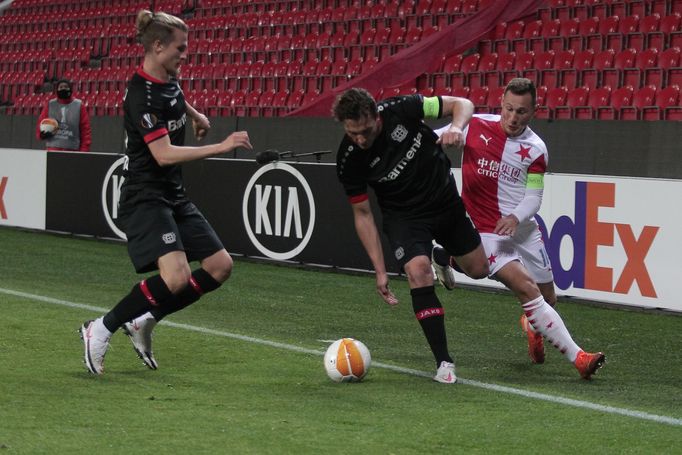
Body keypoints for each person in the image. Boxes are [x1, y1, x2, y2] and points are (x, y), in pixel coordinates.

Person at [78, 10, 253, 375]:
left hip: (172, 194)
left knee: (220, 266)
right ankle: (102, 327)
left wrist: (195, 115)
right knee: (174, 277)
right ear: (157, 46)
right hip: (144, 196)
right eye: (180, 48)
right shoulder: (140, 95)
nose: (185, 54)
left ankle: (145, 322)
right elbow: (162, 154)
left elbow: (173, 95)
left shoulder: (167, 77)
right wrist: (220, 146)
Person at [434, 78, 605, 379]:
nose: (513, 118)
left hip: (523, 228)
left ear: (534, 111)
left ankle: (529, 322)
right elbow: (432, 138)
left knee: (548, 298)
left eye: (521, 112)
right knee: (525, 287)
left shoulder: (537, 149)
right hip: (488, 229)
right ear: (501, 104)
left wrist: (515, 217)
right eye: (509, 109)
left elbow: (534, 197)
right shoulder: (474, 126)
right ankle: (580, 359)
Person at [333, 87, 490, 384]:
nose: (361, 139)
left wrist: (456, 128)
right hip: (405, 217)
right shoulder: (349, 159)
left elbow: (463, 104)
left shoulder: (404, 108)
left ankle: (442, 256)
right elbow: (363, 214)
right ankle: (444, 361)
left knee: (479, 269)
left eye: (365, 131)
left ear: (377, 116)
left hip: (444, 201)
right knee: (418, 271)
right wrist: (380, 270)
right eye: (353, 133)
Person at [36, 79, 92, 152]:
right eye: (61, 87)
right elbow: (40, 124)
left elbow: (85, 130)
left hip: (73, 151)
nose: (63, 89)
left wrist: (84, 150)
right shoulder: (50, 105)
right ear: (57, 90)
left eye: (66, 87)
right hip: (53, 150)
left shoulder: (79, 106)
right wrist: (41, 134)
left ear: (70, 89)